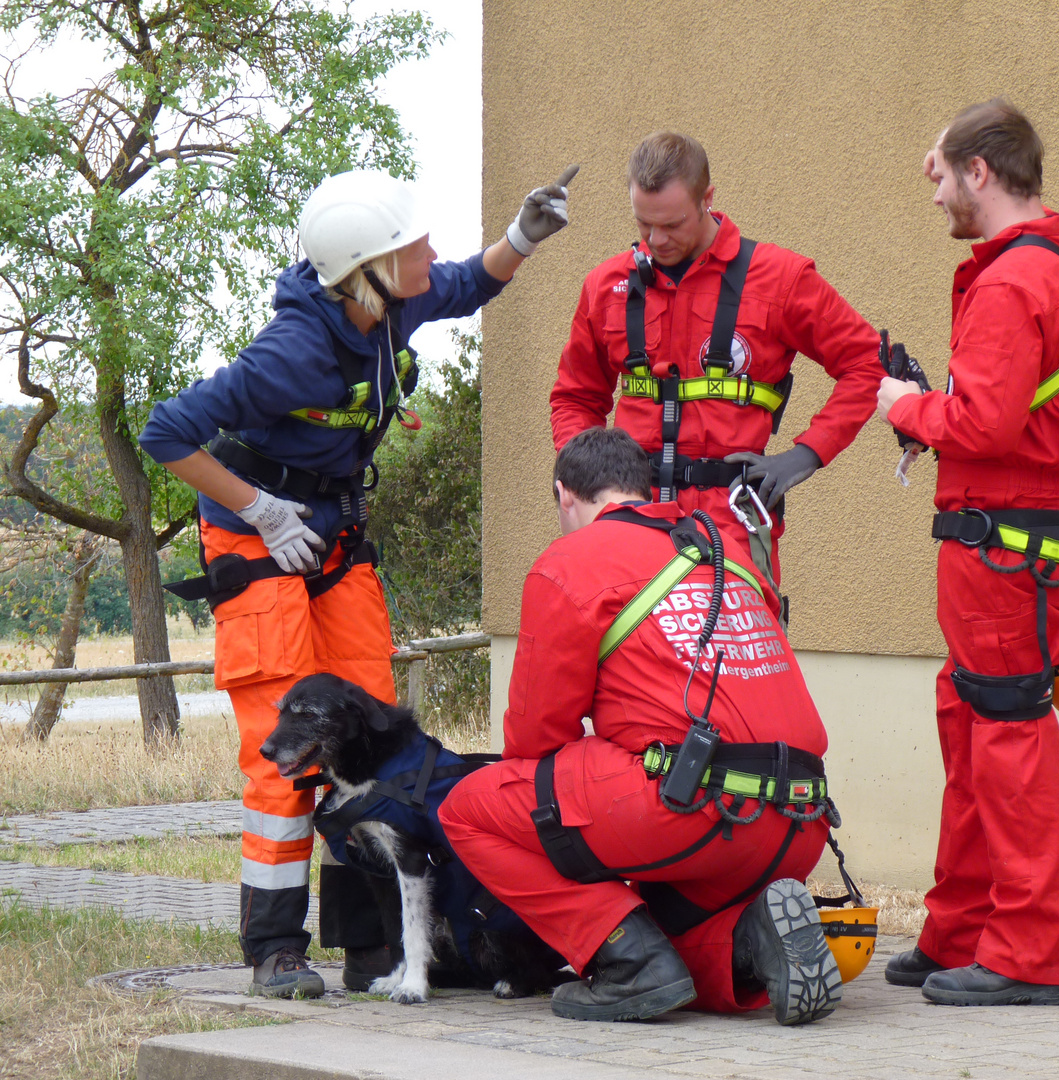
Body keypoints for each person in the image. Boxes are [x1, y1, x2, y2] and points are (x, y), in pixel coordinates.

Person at [139, 164, 579, 998]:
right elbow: (167, 432)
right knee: (287, 751)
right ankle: (275, 950)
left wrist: (523, 235)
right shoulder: (291, 352)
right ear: (370, 268)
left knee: (377, 739)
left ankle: (373, 946)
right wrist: (263, 510)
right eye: (414, 245)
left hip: (332, 534)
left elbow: (467, 283)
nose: (431, 252)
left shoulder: (393, 303)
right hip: (260, 533)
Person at [437, 427, 843, 1025]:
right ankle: (750, 941)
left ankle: (625, 961)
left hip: (692, 809)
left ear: (564, 495)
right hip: (799, 821)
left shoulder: (570, 562)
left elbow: (535, 740)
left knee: (468, 808)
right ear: (643, 488)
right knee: (663, 927)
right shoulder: (719, 545)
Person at [874, 100, 1059, 1006]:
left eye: (938, 175)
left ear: (981, 170)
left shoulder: (1015, 283)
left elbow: (982, 420)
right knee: (973, 720)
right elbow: (1025, 409)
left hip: (1004, 541)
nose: (934, 194)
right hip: (1027, 538)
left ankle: (1024, 954)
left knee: (1008, 736)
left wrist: (904, 407)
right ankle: (963, 929)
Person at [549, 131, 880, 613]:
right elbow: (576, 397)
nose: (657, 240)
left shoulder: (779, 278)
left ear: (708, 198)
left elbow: (866, 362)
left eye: (673, 224)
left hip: (731, 528)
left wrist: (806, 455)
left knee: (735, 675)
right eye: (644, 225)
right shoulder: (607, 286)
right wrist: (582, 479)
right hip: (628, 523)